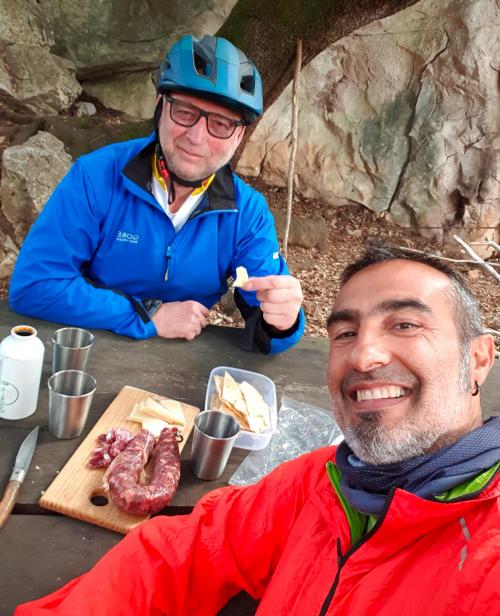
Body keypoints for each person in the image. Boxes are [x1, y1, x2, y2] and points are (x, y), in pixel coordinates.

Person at [14, 245, 499, 615]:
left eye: (406, 325)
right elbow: (181, 554)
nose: (363, 355)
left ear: (478, 359)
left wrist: (281, 321)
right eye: (345, 333)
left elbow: (268, 310)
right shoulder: (322, 483)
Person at [8, 35, 305, 355]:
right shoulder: (95, 176)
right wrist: (148, 314)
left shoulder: (247, 213)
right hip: (89, 348)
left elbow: (268, 328)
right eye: (185, 111)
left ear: (240, 135)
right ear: (161, 105)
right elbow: (35, 284)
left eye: (221, 123)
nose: (196, 137)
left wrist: (282, 322)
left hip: (181, 368)